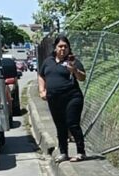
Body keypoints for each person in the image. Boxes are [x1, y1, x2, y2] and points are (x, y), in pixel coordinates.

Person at [37, 34, 87, 163]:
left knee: (72, 123)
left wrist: (74, 70)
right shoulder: (48, 61)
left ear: (69, 48)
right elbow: (41, 75)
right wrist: (42, 90)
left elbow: (82, 78)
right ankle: (63, 152)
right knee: (60, 126)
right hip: (54, 99)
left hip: (72, 97)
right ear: (55, 48)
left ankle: (81, 152)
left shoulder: (73, 61)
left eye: (65, 46)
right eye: (60, 46)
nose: (63, 49)